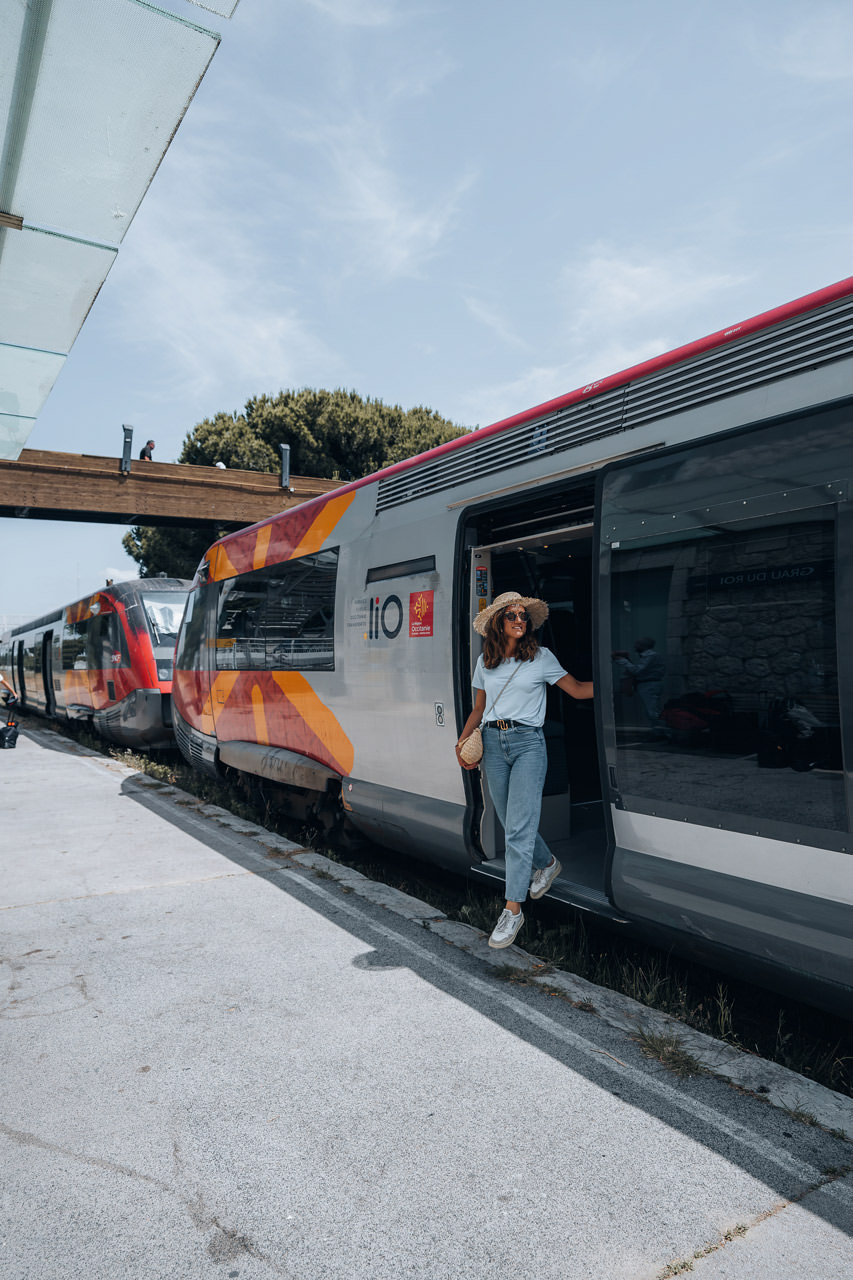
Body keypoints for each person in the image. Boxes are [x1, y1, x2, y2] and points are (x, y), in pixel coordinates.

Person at [455, 591, 594, 950]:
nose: (520, 620)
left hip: (529, 743)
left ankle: (513, 909)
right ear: (499, 623)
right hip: (493, 744)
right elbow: (479, 709)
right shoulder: (485, 662)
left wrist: (613, 688)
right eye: (512, 615)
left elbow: (577, 690)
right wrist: (462, 742)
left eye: (523, 616)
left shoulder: (541, 657)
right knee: (507, 819)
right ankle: (546, 862)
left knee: (518, 829)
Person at [612, 636, 665, 724]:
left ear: (643, 645)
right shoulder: (647, 656)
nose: (634, 646)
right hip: (647, 685)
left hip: (649, 685)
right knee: (651, 710)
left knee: (652, 712)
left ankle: (663, 732)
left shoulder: (651, 656)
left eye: (637, 644)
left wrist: (623, 661)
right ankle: (658, 731)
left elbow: (636, 670)